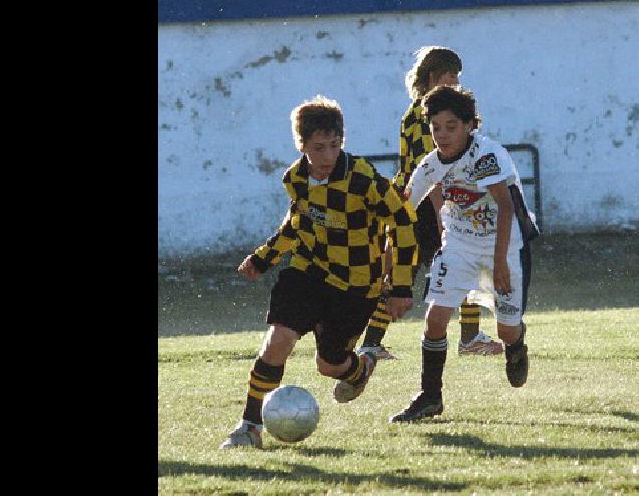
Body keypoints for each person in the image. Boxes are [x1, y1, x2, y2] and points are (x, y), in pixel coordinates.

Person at [221, 95, 419, 448]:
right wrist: (263, 259)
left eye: (334, 146)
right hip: (307, 272)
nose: (328, 157)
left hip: (356, 286)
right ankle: (249, 426)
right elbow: (296, 224)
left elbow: (404, 223)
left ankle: (361, 368)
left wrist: (401, 285)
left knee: (329, 365)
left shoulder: (364, 181)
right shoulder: (295, 178)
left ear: (342, 141)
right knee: (277, 340)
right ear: (302, 145)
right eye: (318, 148)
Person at [390, 85, 538, 422]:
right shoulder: (430, 165)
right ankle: (430, 397)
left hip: (505, 245)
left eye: (451, 126)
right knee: (435, 320)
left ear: (471, 124)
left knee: (506, 330)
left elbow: (504, 208)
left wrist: (499, 262)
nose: (442, 135)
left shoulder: (485, 156)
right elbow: (403, 210)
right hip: (458, 245)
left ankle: (516, 345)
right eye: (436, 127)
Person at [358, 46, 505, 360]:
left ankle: (372, 341)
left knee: (408, 269)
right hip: (425, 202)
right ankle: (467, 339)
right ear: (431, 77)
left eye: (457, 76)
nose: (454, 82)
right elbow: (435, 168)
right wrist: (442, 213)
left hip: (412, 199)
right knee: (456, 262)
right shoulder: (428, 115)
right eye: (449, 75)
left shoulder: (417, 111)